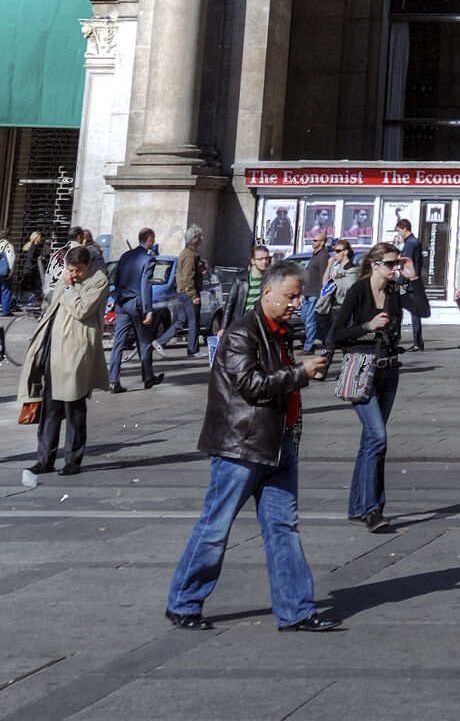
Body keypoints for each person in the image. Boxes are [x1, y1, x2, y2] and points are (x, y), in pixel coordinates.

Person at [165, 257, 337, 632]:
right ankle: (184, 602)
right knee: (216, 526)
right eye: (290, 297)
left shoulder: (279, 331)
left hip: (277, 444)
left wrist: (301, 372)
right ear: (269, 291)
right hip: (241, 447)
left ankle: (296, 610)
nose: (295, 304)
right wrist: (300, 374)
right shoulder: (244, 332)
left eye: (298, 298)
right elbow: (253, 386)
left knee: (283, 528)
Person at [323, 240, 406, 533]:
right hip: (360, 368)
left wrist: (414, 278)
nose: (396, 268)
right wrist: (368, 327)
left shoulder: (395, 289)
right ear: (375, 264)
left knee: (371, 442)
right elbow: (336, 334)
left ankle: (359, 508)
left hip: (388, 371)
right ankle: (371, 509)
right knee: (377, 437)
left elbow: (423, 309)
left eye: (398, 263)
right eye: (391, 264)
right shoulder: (359, 290)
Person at [22, 239, 108, 475]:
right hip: (55, 350)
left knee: (74, 408)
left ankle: (72, 460)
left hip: (77, 351)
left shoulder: (98, 281)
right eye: (69, 270)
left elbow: (81, 310)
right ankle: (45, 458)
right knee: (50, 408)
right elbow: (54, 305)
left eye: (77, 271)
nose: (72, 274)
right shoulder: (67, 277)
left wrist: (70, 288)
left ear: (88, 265)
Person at [107, 226, 162, 392]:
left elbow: (116, 279)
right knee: (144, 340)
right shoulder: (148, 259)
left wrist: (117, 297)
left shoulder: (125, 256)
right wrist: (148, 309)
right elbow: (146, 286)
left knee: (119, 342)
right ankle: (148, 377)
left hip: (122, 301)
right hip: (137, 304)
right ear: (150, 239)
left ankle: (113, 380)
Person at [156, 226, 206, 358]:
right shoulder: (189, 255)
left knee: (181, 321)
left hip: (182, 292)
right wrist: (193, 295)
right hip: (188, 293)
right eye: (200, 237)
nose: (202, 239)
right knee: (194, 321)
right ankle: (193, 350)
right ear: (195, 240)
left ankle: (159, 341)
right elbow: (187, 277)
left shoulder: (187, 253)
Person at [393, 218, 426, 350]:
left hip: (407, 282)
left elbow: (406, 263)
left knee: (399, 309)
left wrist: (400, 280)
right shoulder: (414, 242)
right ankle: (418, 341)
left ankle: (415, 342)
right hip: (412, 281)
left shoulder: (410, 244)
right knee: (414, 312)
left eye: (399, 230)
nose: (399, 234)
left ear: (404, 228)